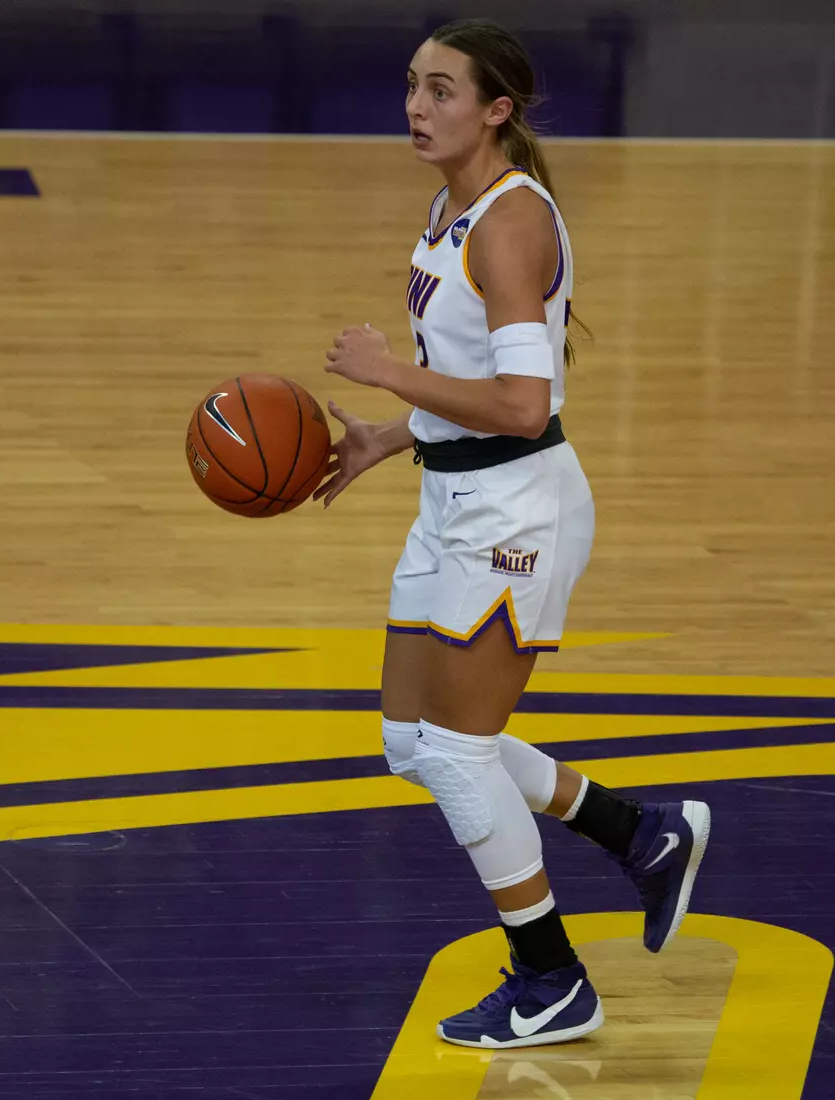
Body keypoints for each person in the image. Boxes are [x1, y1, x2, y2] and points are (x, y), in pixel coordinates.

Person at [317, 18, 710, 1049]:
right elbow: (472, 382)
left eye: (442, 90)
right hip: (451, 497)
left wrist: (386, 372)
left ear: (497, 110)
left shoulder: (506, 223)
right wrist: (388, 437)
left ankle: (551, 976)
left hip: (515, 509)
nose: (416, 106)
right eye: (411, 85)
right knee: (412, 742)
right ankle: (641, 832)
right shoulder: (452, 205)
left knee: (455, 750)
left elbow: (525, 403)